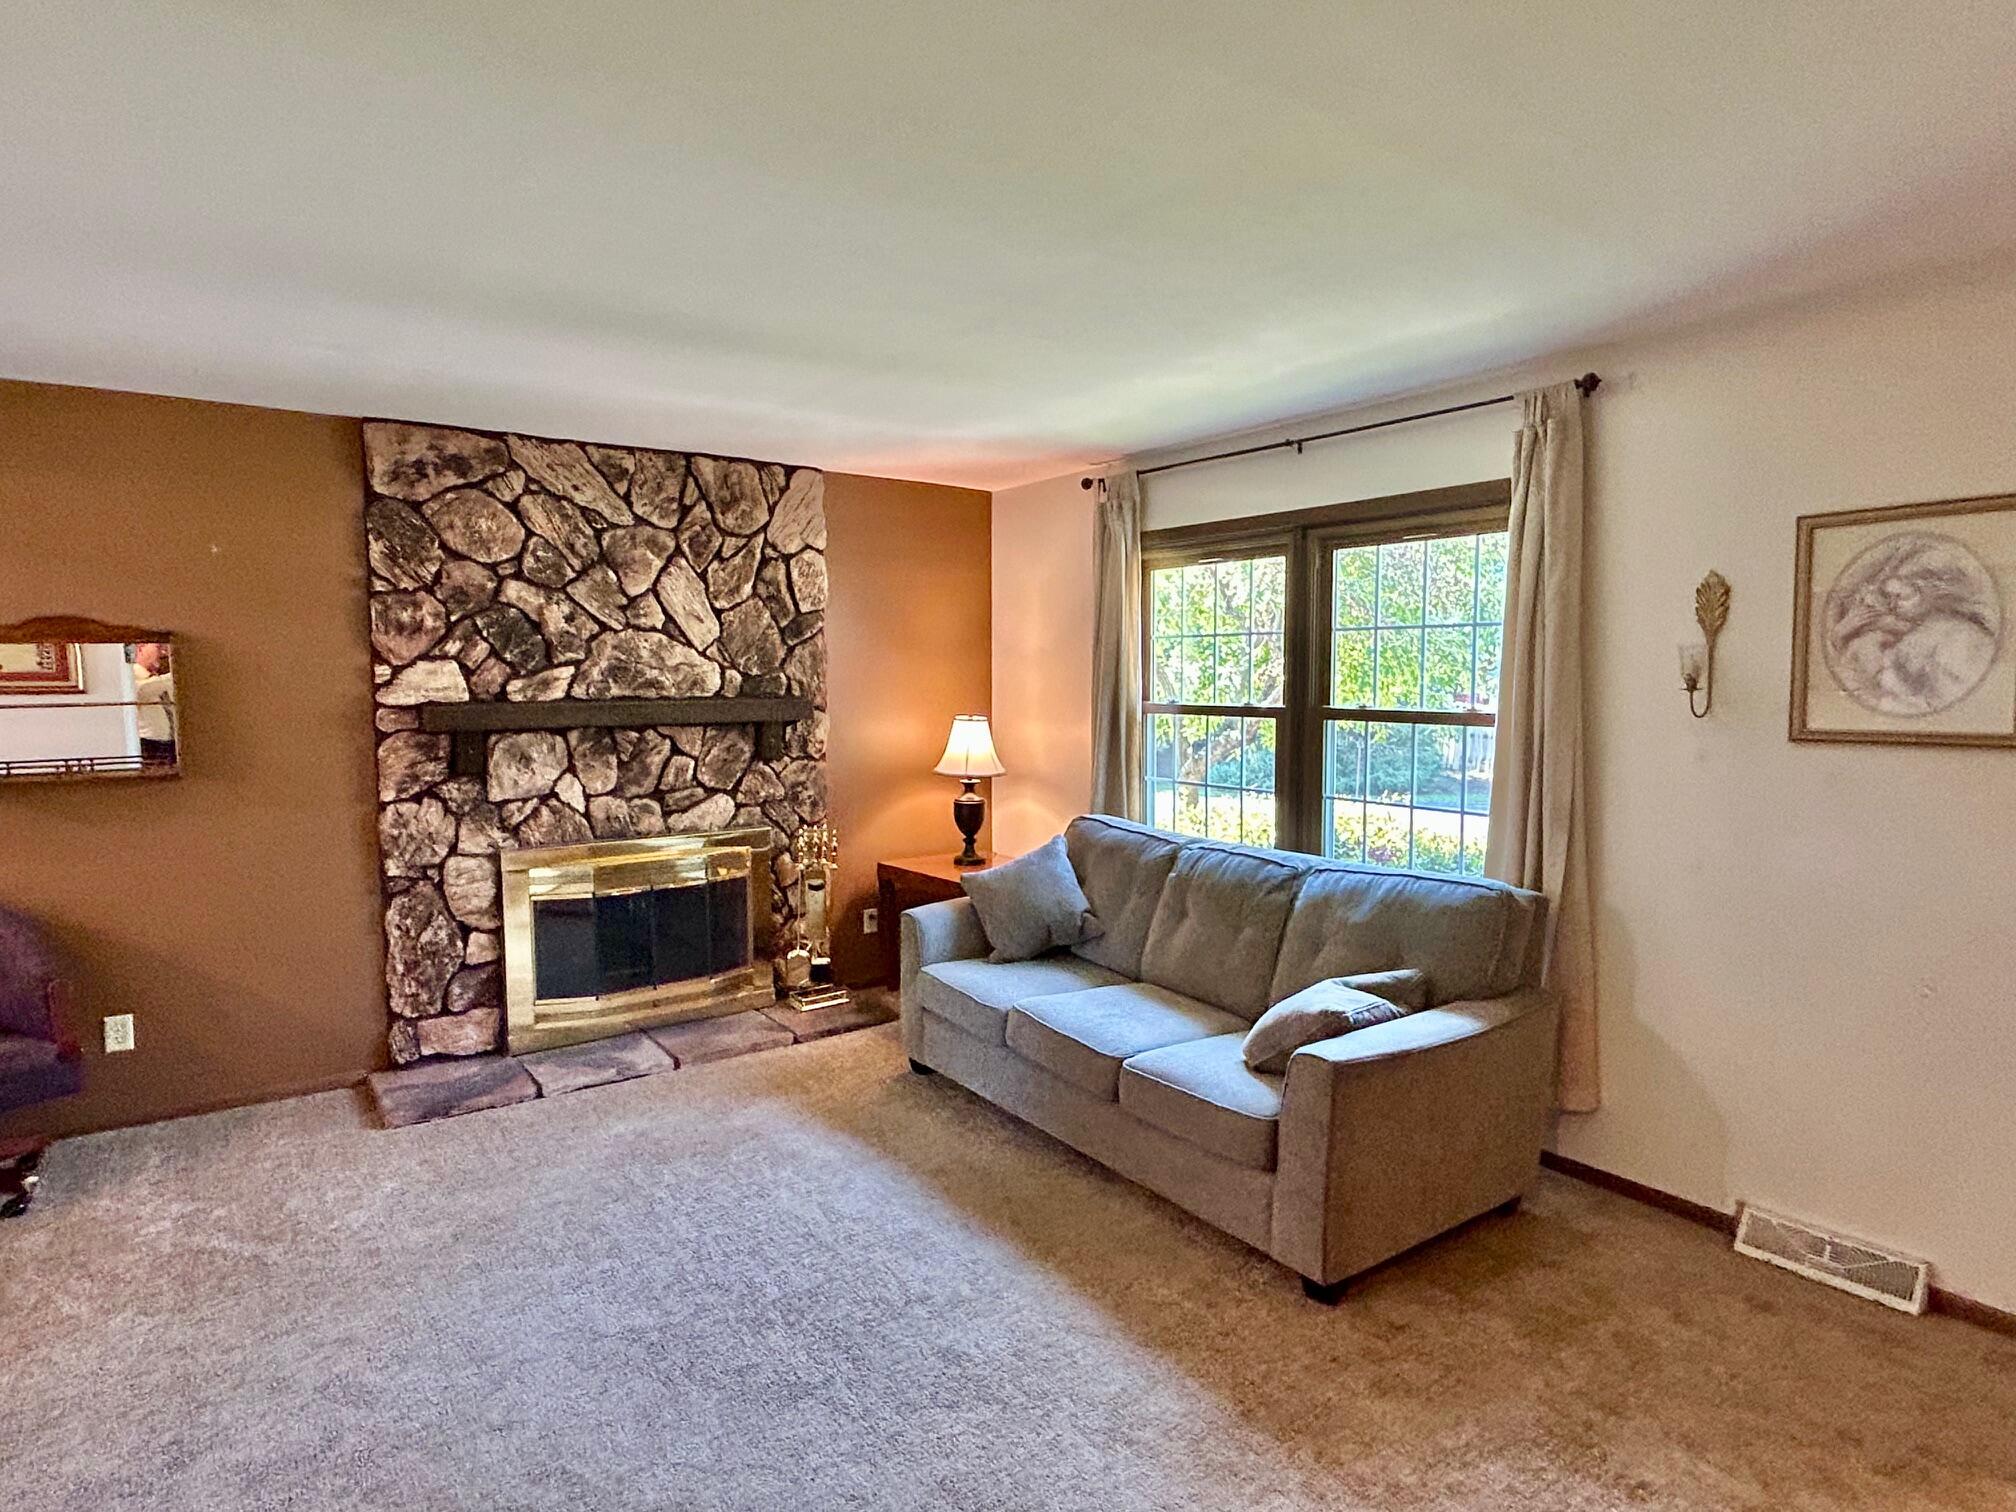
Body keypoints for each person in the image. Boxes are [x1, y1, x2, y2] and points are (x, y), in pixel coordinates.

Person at [132, 641, 176, 765]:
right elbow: (141, 692)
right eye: (159, 647)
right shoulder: (130, 677)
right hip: (150, 745)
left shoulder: (160, 679)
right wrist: (176, 674)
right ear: (140, 648)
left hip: (172, 744)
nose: (164, 652)